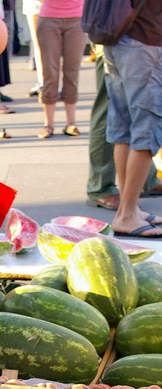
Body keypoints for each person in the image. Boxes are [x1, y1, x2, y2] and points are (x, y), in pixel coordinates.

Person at [102, 1, 162, 238]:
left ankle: (130, 208)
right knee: (146, 131)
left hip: (118, 38)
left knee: (124, 129)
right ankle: (127, 214)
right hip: (144, 40)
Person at [86, 46, 162, 210]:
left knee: (132, 120)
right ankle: (101, 187)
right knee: (115, 118)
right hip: (127, 45)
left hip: (139, 45)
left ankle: (145, 182)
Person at [35, 0, 86, 139]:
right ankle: (48, 124)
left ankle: (71, 123)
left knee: (72, 70)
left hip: (77, 18)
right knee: (49, 71)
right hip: (49, 18)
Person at [22, 0, 43, 97]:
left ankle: (52, 85)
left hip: (57, 6)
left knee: (54, 46)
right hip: (34, 6)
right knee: (39, 44)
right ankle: (43, 83)